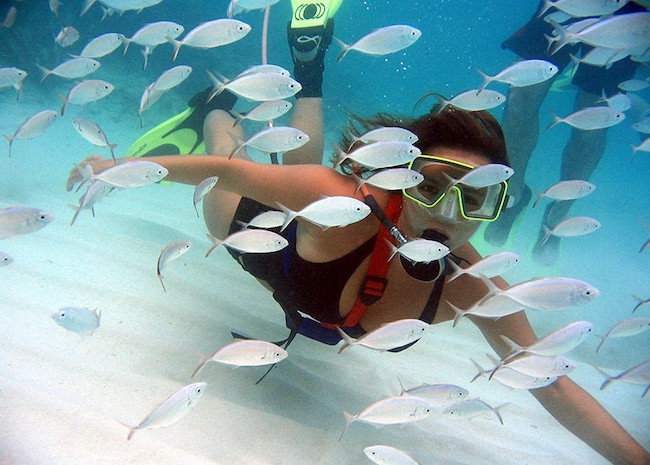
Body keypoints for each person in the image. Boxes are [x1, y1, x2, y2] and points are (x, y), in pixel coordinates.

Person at [66, 1, 650, 463]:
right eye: (430, 185)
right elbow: (227, 173)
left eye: (475, 198)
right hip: (245, 227)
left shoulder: (475, 285)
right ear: (402, 177)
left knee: (296, 162)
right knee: (249, 154)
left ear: (496, 205)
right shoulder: (341, 196)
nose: (448, 212)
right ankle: (215, 107)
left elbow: (550, 383)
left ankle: (306, 69)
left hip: (308, 266)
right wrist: (114, 171)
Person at [483, 1, 647, 265]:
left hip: (630, 10)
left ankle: (557, 216)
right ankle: (513, 194)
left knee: (594, 118)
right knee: (520, 99)